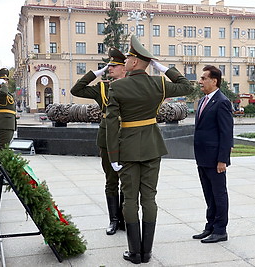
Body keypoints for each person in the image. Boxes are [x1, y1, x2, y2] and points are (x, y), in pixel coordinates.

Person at [106, 35, 193, 264]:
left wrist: (113, 155)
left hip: (128, 149)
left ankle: (135, 253)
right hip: (153, 146)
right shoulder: (159, 84)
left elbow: (112, 124)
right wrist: (163, 68)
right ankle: (147, 253)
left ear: (135, 62)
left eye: (128, 58)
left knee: (130, 201)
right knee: (149, 199)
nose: (125, 62)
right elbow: (187, 86)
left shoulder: (117, 87)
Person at [70, 47, 127, 235]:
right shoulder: (102, 87)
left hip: (128, 137)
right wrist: (95, 73)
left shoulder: (132, 85)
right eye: (108, 66)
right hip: (106, 138)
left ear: (124, 68)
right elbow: (76, 89)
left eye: (114, 66)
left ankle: (125, 219)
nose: (109, 68)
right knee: (111, 180)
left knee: (127, 181)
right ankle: (114, 219)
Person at [193, 65, 233, 244]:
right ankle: (210, 226)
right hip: (202, 158)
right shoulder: (203, 101)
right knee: (208, 194)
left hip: (215, 159)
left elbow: (226, 134)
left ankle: (220, 230)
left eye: (203, 78)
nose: (200, 81)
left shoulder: (222, 101)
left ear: (214, 81)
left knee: (219, 194)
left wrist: (222, 160)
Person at [0, 68, 17, 185]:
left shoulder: (4, 91)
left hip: (8, 123)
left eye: (6, 79)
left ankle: (2, 175)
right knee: (1, 152)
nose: (6, 81)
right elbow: (3, 94)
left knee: (4, 151)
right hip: (3, 124)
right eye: (3, 79)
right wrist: (2, 85)